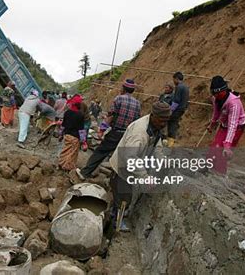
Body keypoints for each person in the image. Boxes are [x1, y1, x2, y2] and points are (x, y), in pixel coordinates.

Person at [109, 101, 171, 231]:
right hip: (122, 168)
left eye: (166, 121)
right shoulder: (139, 132)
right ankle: (116, 225)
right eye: (161, 121)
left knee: (125, 196)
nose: (163, 124)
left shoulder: (155, 127)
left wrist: (164, 161)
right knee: (123, 198)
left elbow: (157, 147)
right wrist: (145, 177)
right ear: (153, 116)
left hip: (131, 168)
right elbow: (129, 157)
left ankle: (116, 213)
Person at [77, 79, 141, 179]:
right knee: (121, 157)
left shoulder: (119, 99)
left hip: (116, 133)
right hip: (128, 135)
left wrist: (101, 130)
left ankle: (84, 173)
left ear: (123, 88)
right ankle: (116, 179)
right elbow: (136, 121)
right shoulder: (137, 103)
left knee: (100, 152)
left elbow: (110, 116)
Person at [206, 76, 245, 174]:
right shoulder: (216, 98)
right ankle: (210, 169)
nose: (216, 96)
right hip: (224, 124)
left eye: (217, 94)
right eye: (214, 94)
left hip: (237, 127)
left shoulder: (234, 103)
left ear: (223, 91)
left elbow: (233, 124)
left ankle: (220, 175)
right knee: (214, 148)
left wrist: (227, 145)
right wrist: (211, 125)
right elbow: (216, 113)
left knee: (222, 153)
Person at [58, 95, 85, 171]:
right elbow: (81, 129)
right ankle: (67, 168)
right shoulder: (80, 115)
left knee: (65, 150)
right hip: (75, 138)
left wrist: (60, 135)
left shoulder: (67, 112)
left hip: (67, 135)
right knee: (72, 154)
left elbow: (63, 125)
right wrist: (83, 141)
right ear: (78, 104)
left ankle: (61, 164)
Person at [167, 72, 190, 147]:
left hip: (177, 110)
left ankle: (169, 144)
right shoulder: (186, 87)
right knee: (174, 124)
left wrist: (170, 110)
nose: (173, 81)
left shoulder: (179, 87)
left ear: (176, 79)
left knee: (171, 125)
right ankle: (171, 143)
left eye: (174, 79)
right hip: (182, 110)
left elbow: (176, 101)